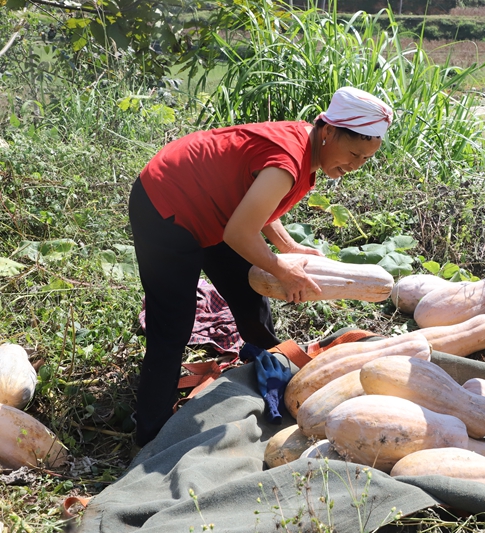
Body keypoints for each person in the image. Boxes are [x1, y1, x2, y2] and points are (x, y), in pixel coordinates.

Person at [128, 86, 393, 447]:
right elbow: (239, 232)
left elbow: (255, 204)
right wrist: (284, 270)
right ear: (328, 131)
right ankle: (152, 432)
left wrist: (287, 246)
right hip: (167, 203)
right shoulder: (288, 160)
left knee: (248, 293)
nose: (354, 165)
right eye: (353, 153)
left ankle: (267, 368)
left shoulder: (306, 149)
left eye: (365, 159)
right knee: (173, 325)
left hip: (214, 207)